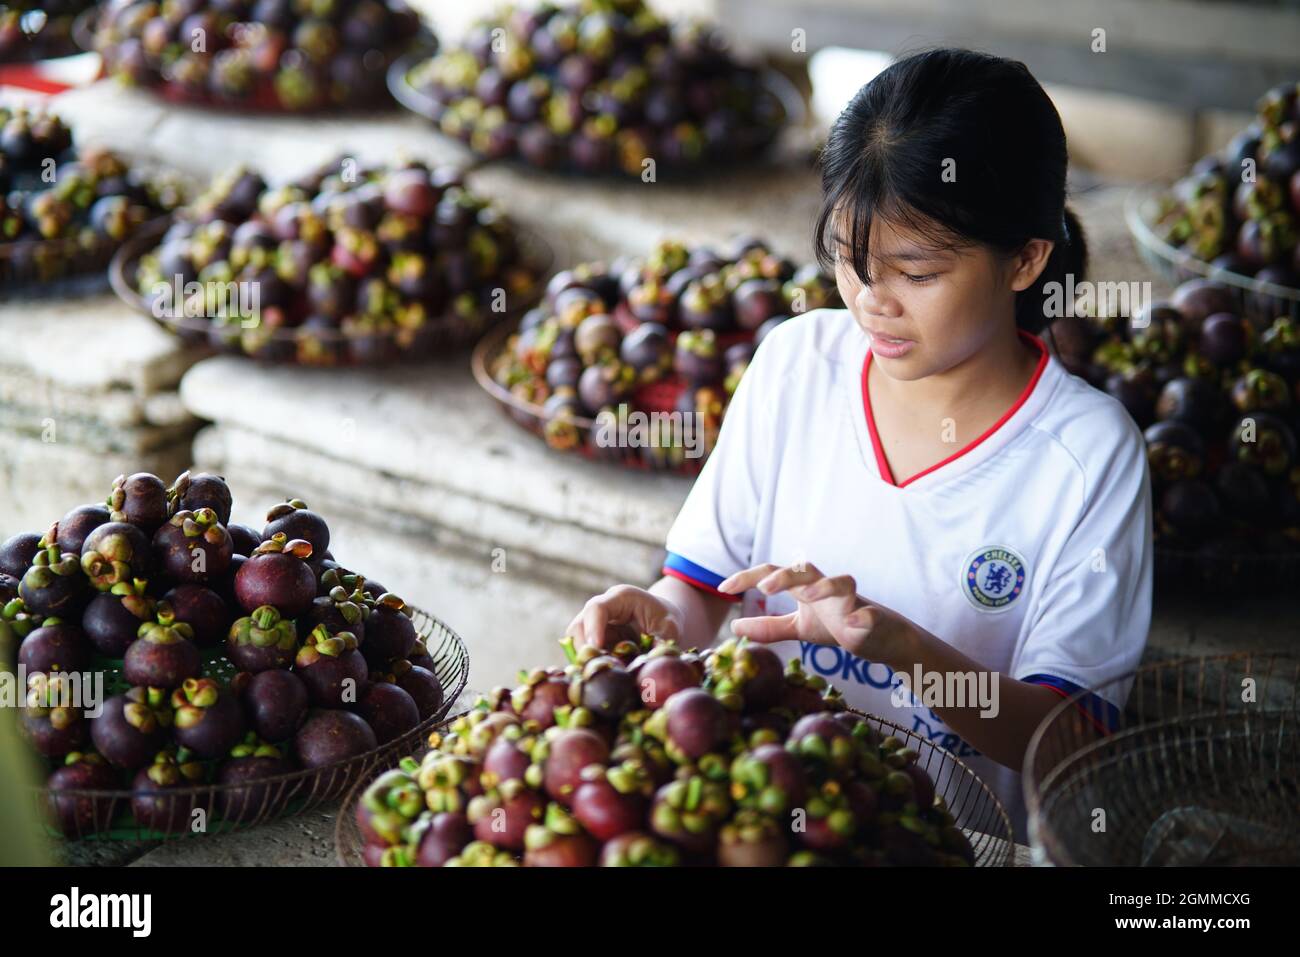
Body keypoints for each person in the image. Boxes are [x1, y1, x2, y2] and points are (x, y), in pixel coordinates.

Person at [567, 48, 1153, 842]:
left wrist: (902, 647)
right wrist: (658, 616)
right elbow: (704, 591)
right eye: (848, 259)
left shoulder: (1085, 457)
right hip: (766, 827)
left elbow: (1069, 743)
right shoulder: (797, 365)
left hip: (955, 842)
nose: (872, 303)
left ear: (1025, 257)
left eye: (916, 272)